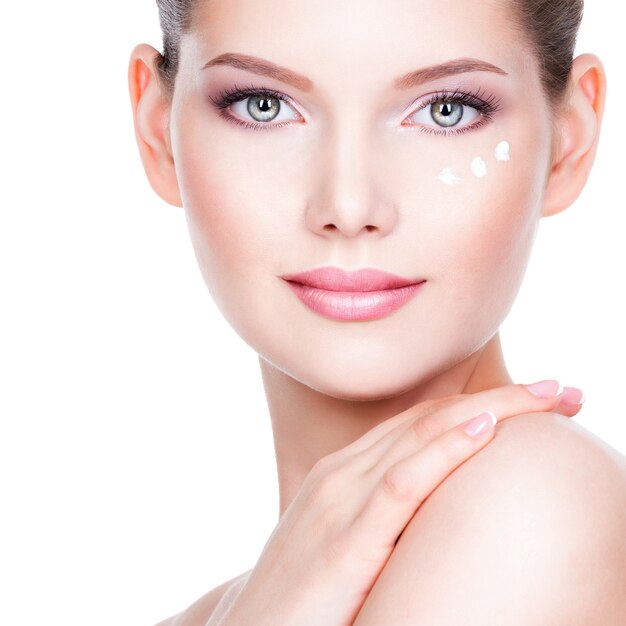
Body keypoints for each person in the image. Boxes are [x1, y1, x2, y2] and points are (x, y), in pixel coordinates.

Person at [127, 0, 626, 623]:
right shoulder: (230, 612)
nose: (349, 203)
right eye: (265, 105)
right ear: (157, 131)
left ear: (569, 142)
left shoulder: (534, 504)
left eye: (447, 111)